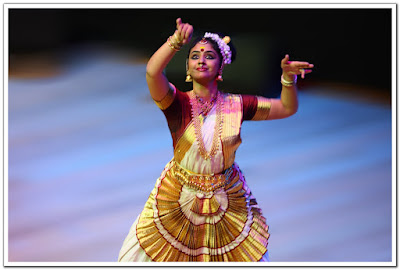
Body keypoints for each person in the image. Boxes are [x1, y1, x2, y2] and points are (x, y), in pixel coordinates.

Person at [118, 18, 313, 262]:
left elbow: (286, 107)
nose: (201, 60)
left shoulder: (238, 105)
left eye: (209, 56)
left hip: (225, 197)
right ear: (187, 68)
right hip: (179, 194)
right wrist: (175, 42)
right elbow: (152, 72)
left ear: (220, 68)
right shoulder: (176, 103)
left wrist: (287, 80)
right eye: (195, 55)